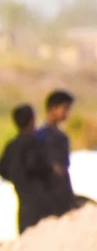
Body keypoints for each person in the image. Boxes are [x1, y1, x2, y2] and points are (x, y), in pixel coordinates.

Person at [0, 102, 55, 234]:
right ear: (32, 120)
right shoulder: (35, 143)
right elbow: (36, 166)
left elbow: (0, 168)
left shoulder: (12, 145)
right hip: (41, 200)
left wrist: (16, 177)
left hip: (23, 200)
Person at [35, 89, 85, 219]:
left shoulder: (61, 137)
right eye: (65, 109)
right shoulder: (40, 137)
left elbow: (64, 169)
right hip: (47, 196)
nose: (67, 113)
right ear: (53, 108)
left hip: (61, 194)